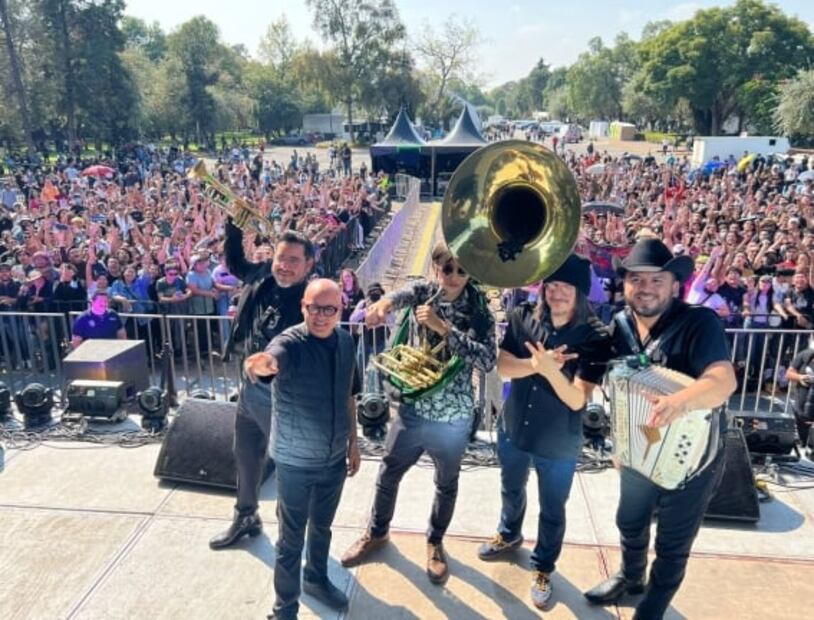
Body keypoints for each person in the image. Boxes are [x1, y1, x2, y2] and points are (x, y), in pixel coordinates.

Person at [584, 238, 737, 620]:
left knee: (673, 541)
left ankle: (651, 609)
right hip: (641, 449)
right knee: (629, 521)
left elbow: (723, 381)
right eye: (637, 279)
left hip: (694, 456)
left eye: (657, 279)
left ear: (674, 285)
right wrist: (621, 443)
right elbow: (616, 387)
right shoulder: (620, 325)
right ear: (627, 285)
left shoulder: (699, 323)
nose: (646, 287)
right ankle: (631, 577)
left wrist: (679, 401)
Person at [341, 242, 497, 585]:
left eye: (461, 270)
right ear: (436, 268)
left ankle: (435, 543)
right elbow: (399, 295)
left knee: (446, 483)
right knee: (388, 472)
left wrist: (445, 329)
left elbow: (487, 360)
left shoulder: (480, 310)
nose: (454, 277)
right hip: (412, 407)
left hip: (452, 414)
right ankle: (377, 533)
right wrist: (382, 305)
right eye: (447, 269)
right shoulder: (425, 292)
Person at [477, 254, 611, 609]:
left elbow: (577, 400)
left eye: (565, 286)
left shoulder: (595, 336)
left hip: (559, 439)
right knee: (510, 487)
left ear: (580, 292)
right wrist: (534, 364)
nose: (556, 293)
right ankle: (509, 534)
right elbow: (504, 366)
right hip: (515, 425)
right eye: (551, 285)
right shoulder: (523, 316)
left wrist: (550, 371)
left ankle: (543, 567)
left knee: (553, 508)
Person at [243, 279, 361, 620]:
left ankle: (316, 578)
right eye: (314, 308)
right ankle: (285, 609)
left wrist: (353, 442)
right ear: (303, 307)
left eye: (329, 309)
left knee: (322, 527)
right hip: (296, 461)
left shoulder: (345, 341)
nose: (321, 316)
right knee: (291, 539)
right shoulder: (289, 343)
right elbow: (266, 361)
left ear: (340, 310)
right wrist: (257, 365)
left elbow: (348, 396)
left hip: (334, 457)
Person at [209, 222, 314, 550]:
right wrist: (235, 227)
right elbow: (236, 263)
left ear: (309, 264)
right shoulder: (262, 276)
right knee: (245, 454)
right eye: (281, 258)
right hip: (248, 389)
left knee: (287, 465)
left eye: (294, 260)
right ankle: (246, 516)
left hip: (281, 396)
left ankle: (291, 534)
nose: (284, 265)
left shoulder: (309, 300)